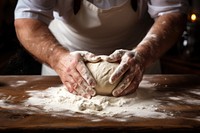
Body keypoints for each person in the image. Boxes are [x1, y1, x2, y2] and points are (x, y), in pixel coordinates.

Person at [14, 0, 189, 98]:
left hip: (138, 63)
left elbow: (172, 12)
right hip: (66, 63)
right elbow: (27, 20)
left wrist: (143, 55)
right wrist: (58, 59)